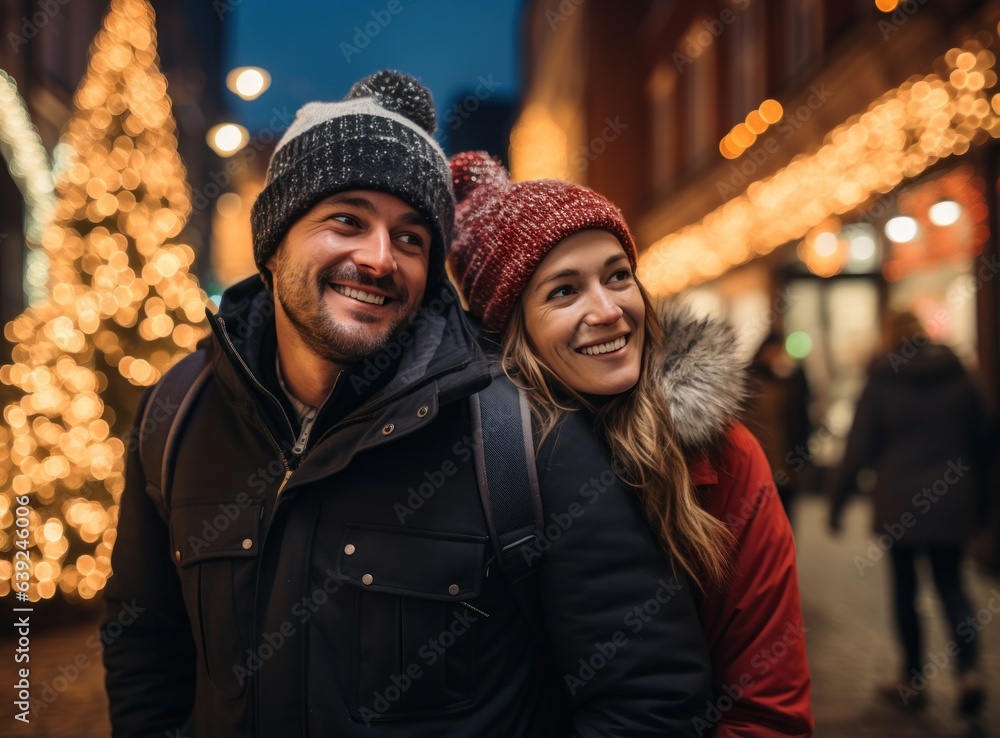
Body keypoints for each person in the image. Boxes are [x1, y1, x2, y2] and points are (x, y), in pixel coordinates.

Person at [101, 71, 714, 737]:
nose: (378, 258)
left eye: (411, 237)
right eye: (347, 221)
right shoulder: (179, 413)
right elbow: (144, 643)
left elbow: (652, 698)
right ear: (274, 243)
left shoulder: (523, 437)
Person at [448, 151, 814, 737]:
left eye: (617, 275)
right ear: (510, 326)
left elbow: (765, 707)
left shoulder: (721, 456)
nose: (608, 309)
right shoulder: (478, 462)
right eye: (564, 291)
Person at [829, 310, 990, 716]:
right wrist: (986, 500)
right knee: (952, 585)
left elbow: (859, 447)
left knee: (906, 591)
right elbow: (987, 439)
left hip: (901, 502)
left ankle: (913, 679)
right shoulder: (959, 372)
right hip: (954, 499)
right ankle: (969, 672)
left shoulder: (883, 377)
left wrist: (838, 500)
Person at [744, 332, 813, 521]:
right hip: (761, 460)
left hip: (786, 460)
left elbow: (801, 420)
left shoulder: (792, 381)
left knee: (785, 514)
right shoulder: (749, 385)